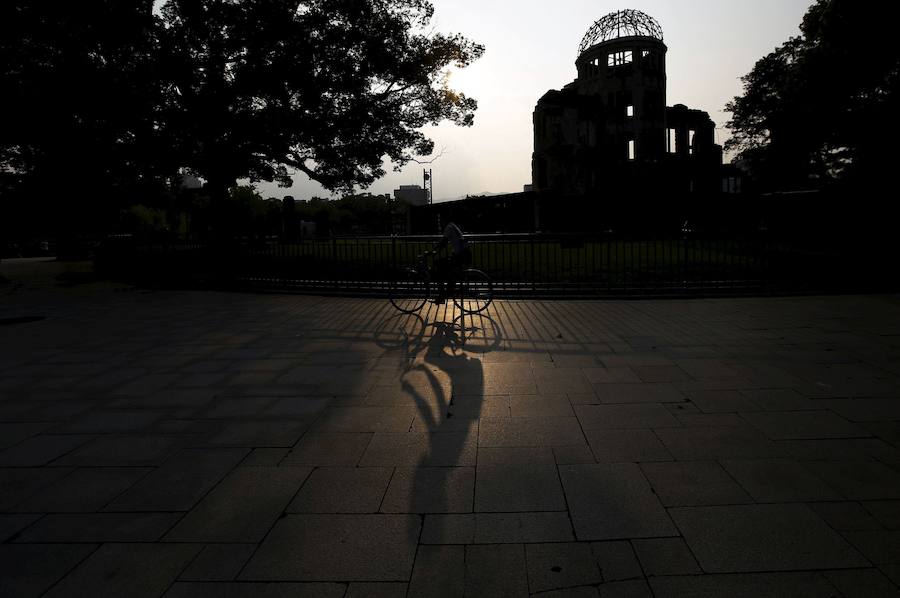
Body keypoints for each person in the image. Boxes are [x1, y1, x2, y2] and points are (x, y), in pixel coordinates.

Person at [431, 222, 471, 304]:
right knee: (447, 269)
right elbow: (445, 242)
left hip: (460, 254)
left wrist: (434, 250)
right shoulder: (453, 226)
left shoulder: (448, 227)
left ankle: (442, 295)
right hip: (463, 253)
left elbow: (444, 241)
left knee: (438, 266)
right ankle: (448, 289)